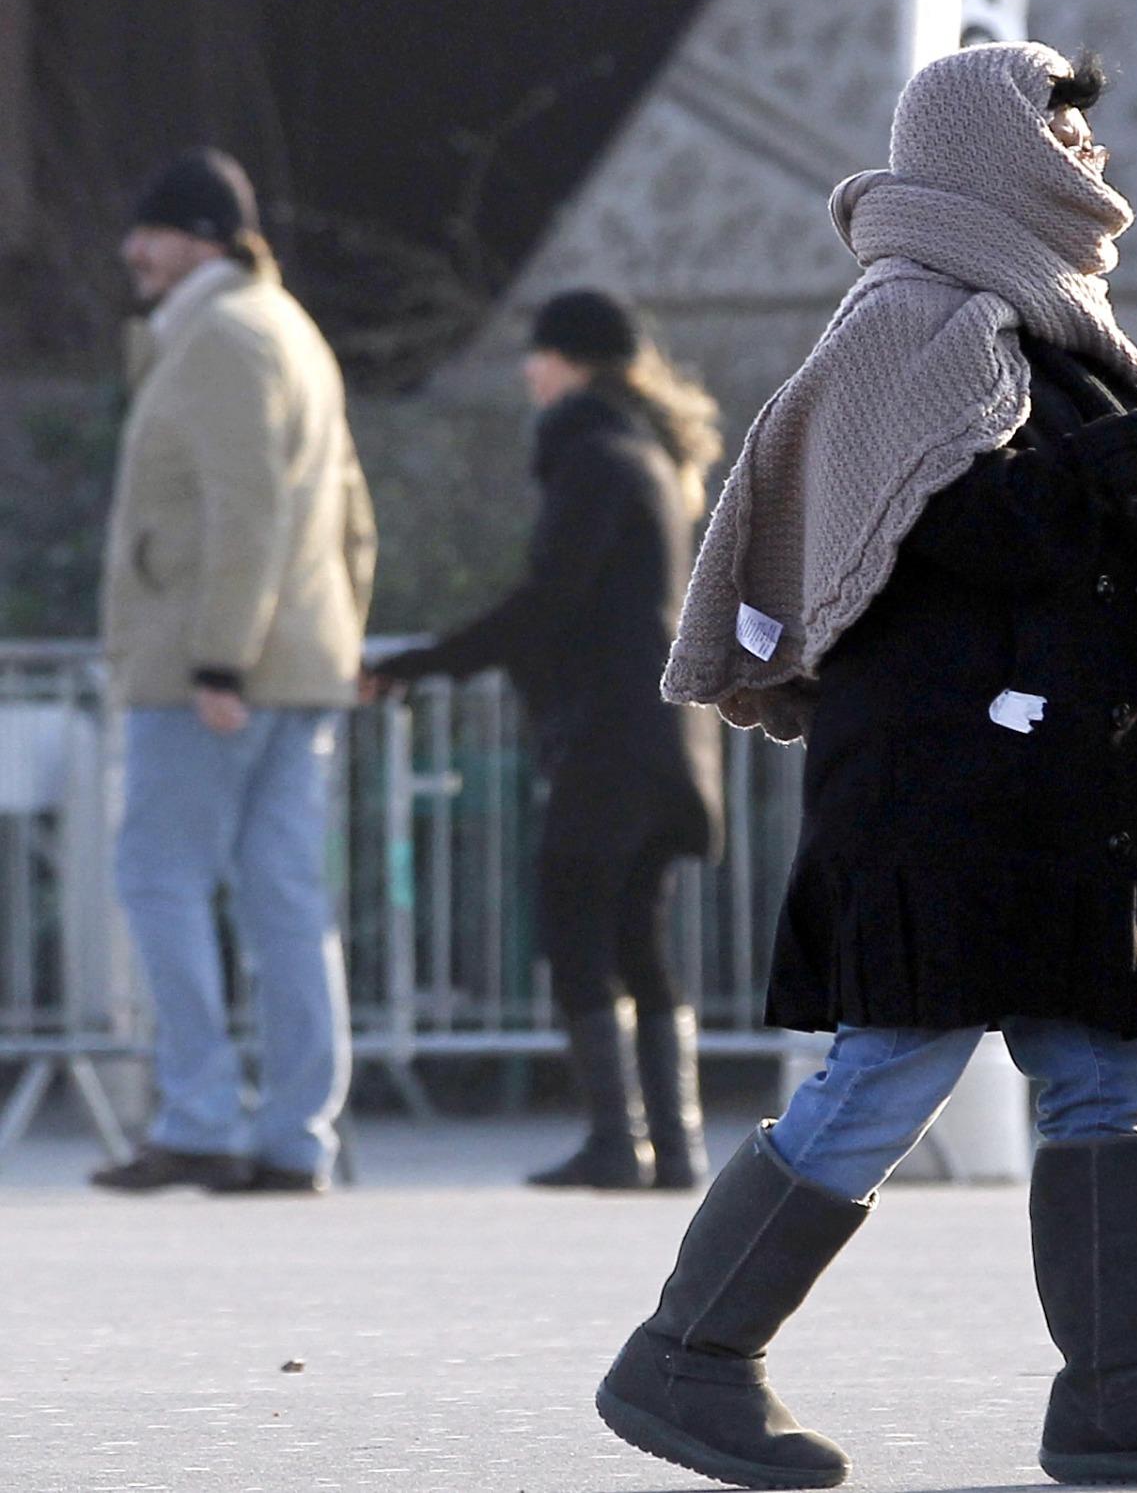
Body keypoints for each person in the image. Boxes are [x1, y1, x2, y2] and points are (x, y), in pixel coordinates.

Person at [598, 42, 1137, 1490]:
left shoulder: (1052, 327)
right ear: (992, 153)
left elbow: (1124, 542)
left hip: (1066, 794)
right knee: (888, 1068)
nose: (1092, 156)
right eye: (1064, 130)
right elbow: (985, 528)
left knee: (1104, 1071)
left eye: (1089, 131)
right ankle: (688, 1356)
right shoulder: (914, 316)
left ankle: (1117, 1390)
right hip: (952, 791)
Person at [367, 289, 726, 1191]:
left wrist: (418, 662)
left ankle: (619, 1139)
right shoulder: (646, 455)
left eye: (539, 353)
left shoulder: (595, 457)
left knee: (575, 921)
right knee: (636, 934)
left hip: (610, 736)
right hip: (664, 735)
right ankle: (671, 1144)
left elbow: (547, 603)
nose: (528, 369)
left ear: (573, 361)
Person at [91, 147, 375, 1195]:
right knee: (285, 898)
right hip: (297, 664)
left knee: (157, 877)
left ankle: (201, 1114)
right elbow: (351, 514)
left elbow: (240, 509)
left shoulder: (216, 335)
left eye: (151, 231)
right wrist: (335, 641)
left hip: (207, 666)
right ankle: (298, 1135)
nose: (134, 250)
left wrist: (219, 654)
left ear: (203, 237)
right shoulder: (291, 329)